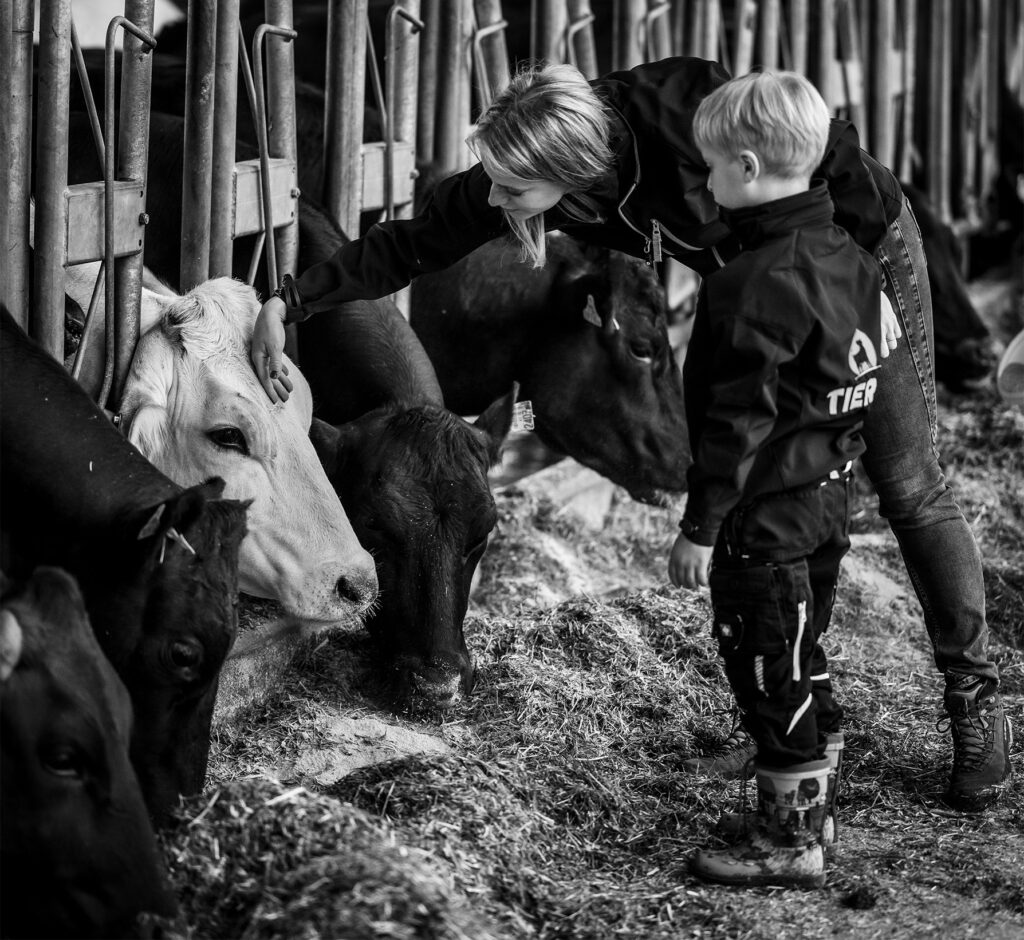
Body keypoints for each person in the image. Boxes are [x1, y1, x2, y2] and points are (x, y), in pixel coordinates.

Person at [250, 56, 1011, 814]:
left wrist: (835, 343)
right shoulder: (528, 176)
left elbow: (832, 164)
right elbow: (407, 244)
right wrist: (292, 302)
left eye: (513, 185)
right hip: (759, 297)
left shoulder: (684, 111)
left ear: (569, 167)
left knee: (908, 481)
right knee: (774, 505)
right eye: (496, 180)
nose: (497, 197)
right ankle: (807, 730)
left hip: (855, 251)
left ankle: (977, 704)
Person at [666, 68, 882, 887]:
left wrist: (701, 526)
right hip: (831, 495)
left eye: (713, 168)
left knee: (763, 651)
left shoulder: (749, 285)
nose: (707, 182)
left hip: (765, 512)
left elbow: (735, 426)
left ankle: (789, 838)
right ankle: (815, 754)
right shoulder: (848, 255)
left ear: (748, 170)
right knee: (800, 635)